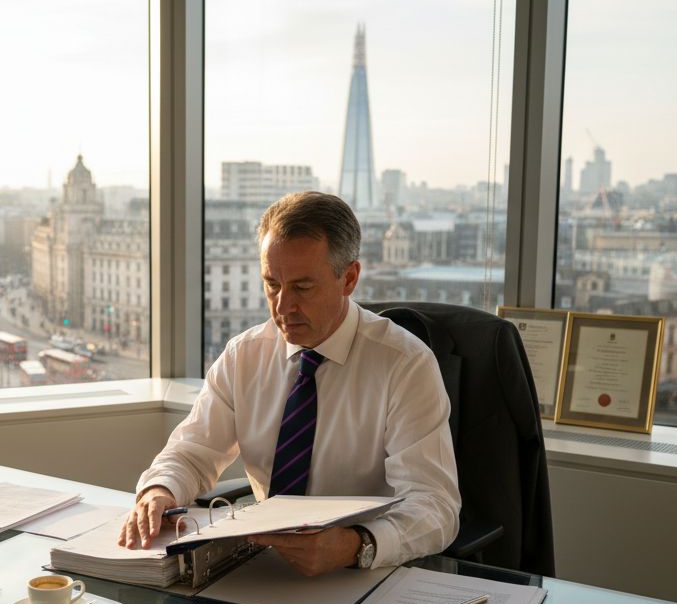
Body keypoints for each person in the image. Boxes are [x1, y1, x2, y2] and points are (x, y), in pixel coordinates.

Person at [117, 191, 459, 575]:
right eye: (272, 284)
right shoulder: (243, 356)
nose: (282, 306)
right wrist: (159, 490)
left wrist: (356, 544)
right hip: (263, 566)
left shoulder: (404, 364)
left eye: (302, 287)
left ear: (349, 278)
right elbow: (191, 453)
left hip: (364, 572)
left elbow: (435, 505)